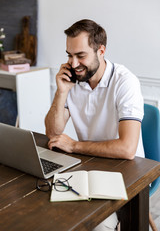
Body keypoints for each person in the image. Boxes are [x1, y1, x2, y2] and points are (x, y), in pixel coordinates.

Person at [45, 19, 144, 231]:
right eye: (69, 55)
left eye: (80, 56)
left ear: (101, 51)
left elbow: (127, 149)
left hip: (129, 171)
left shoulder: (125, 82)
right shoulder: (73, 80)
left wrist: (74, 146)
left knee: (94, 224)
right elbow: (53, 132)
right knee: (49, 205)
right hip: (91, 165)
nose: (73, 64)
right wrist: (61, 91)